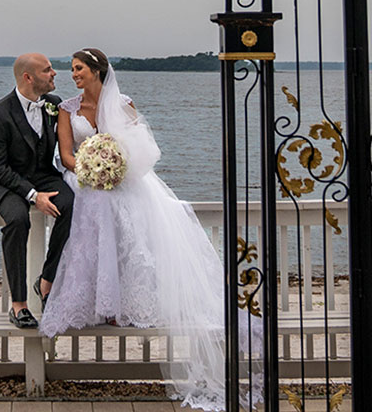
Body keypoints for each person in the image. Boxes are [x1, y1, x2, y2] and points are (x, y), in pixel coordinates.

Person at [39, 48, 255, 410]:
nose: (73, 74)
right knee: (94, 202)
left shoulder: (123, 103)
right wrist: (90, 171)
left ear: (96, 71)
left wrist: (113, 169)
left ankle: (124, 301)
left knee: (123, 209)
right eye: (71, 70)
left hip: (121, 177)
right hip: (84, 178)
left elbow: (139, 147)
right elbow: (66, 156)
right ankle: (95, 301)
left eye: (78, 69)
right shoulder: (66, 109)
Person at [0, 52, 75, 329]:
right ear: (28, 77)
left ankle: (46, 281)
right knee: (19, 219)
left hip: (43, 175)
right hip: (6, 181)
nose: (54, 73)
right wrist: (33, 196)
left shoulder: (53, 104)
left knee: (71, 203)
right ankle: (18, 305)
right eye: (48, 70)